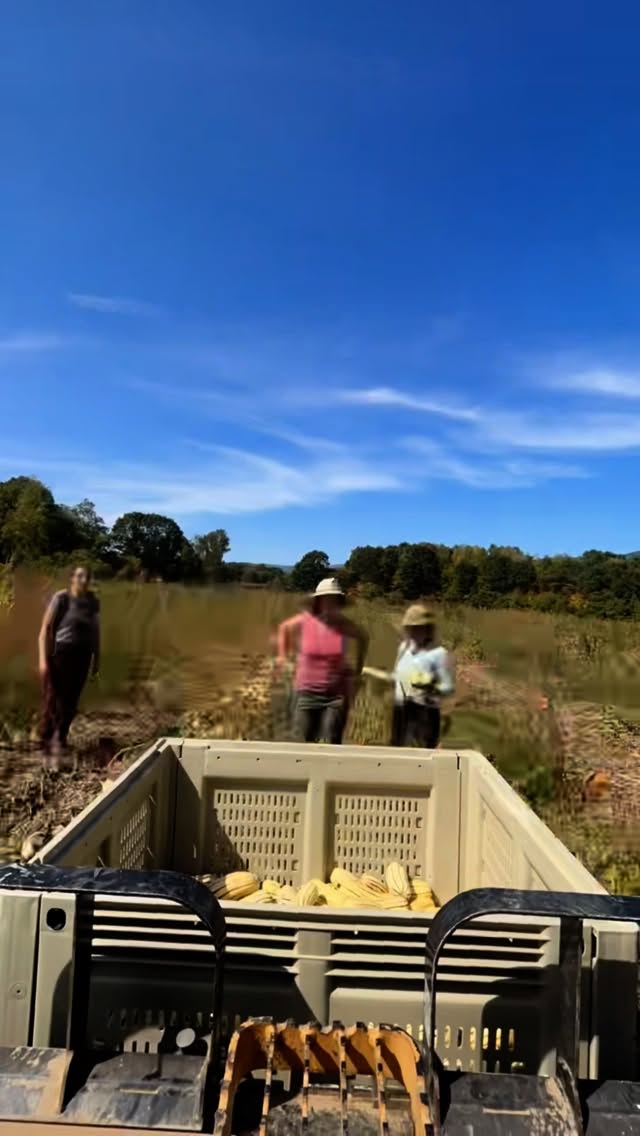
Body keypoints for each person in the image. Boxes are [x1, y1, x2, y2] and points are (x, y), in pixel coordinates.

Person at [276, 578, 368, 744]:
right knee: (304, 741)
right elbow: (284, 629)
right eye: (327, 600)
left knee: (332, 739)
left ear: (339, 603)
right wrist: (283, 657)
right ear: (319, 602)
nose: (330, 605)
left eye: (334, 601)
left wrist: (357, 670)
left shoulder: (344, 625)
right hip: (306, 692)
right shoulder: (306, 620)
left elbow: (363, 638)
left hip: (336, 695)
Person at [38, 565, 100, 766]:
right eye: (80, 575)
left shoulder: (92, 601)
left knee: (72, 701)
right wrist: (43, 659)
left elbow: (96, 630)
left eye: (87, 576)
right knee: (55, 698)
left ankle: (61, 738)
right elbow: (46, 628)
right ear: (72, 578)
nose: (84, 579)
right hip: (62, 653)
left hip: (83, 655)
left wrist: (97, 657)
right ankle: (48, 741)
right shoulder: (61, 598)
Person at [391, 604, 454, 749]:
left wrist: (430, 685)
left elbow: (447, 686)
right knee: (397, 751)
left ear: (428, 629)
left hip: (424, 711)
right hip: (401, 710)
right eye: (411, 628)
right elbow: (397, 675)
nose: (414, 631)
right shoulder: (403, 648)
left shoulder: (439, 654)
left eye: (419, 627)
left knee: (423, 754)